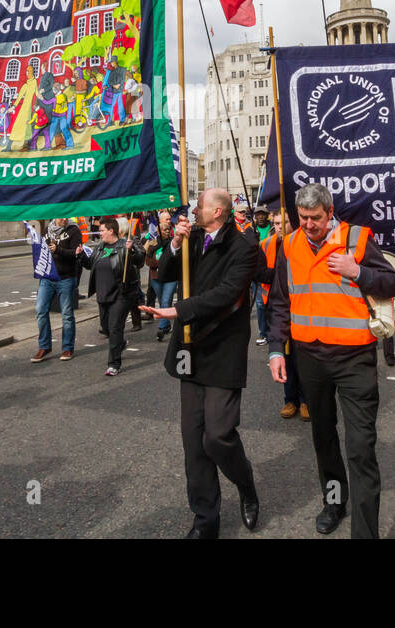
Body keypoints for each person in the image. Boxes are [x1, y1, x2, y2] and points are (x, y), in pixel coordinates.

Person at [265, 183, 395, 538]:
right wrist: (277, 349)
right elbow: (281, 301)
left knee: (360, 447)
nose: (308, 225)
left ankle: (365, 532)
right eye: (303, 218)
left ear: (330, 212)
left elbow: (391, 283)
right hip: (310, 357)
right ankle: (334, 501)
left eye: (315, 218)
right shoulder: (290, 244)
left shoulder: (356, 240)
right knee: (323, 437)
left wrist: (358, 271)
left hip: (354, 357)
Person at [147, 188, 261, 537]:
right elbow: (164, 275)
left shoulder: (244, 246)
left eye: (199, 206)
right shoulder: (192, 238)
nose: (193, 210)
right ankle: (205, 520)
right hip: (189, 348)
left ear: (217, 212)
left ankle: (245, 485)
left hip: (223, 347)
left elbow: (227, 292)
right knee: (194, 442)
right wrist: (175, 245)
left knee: (219, 436)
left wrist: (179, 310)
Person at [256, 213, 309, 421]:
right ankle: (290, 399)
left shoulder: (300, 243)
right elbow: (259, 272)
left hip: (298, 304)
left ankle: (306, 400)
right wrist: (275, 275)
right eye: (276, 223)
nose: (279, 227)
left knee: (300, 354)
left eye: (284, 222)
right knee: (283, 354)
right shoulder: (266, 244)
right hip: (274, 302)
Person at [80, 218, 144, 376]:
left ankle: (114, 364)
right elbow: (90, 264)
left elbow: (140, 261)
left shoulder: (124, 245)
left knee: (115, 328)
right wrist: (80, 255)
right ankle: (121, 342)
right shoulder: (100, 247)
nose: (99, 233)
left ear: (111, 231)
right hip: (103, 294)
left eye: (102, 230)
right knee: (107, 328)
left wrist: (133, 250)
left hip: (121, 294)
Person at [33, 217, 82, 362]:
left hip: (66, 277)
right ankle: (44, 346)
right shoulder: (47, 230)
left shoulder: (74, 231)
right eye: (61, 217)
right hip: (47, 277)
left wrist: (58, 250)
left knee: (66, 313)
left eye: (66, 217)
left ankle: (67, 348)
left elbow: (76, 254)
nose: (64, 219)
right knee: (40, 310)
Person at [145, 210, 177, 342]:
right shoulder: (152, 244)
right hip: (156, 277)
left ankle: (161, 328)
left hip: (170, 277)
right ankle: (167, 325)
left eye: (168, 230)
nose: (167, 231)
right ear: (158, 230)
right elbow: (147, 261)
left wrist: (164, 264)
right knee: (164, 301)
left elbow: (175, 259)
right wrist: (159, 263)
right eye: (164, 230)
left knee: (164, 301)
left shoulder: (173, 243)